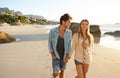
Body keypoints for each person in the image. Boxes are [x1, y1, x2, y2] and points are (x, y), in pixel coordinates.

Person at [48, 13, 72, 78]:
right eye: (69, 22)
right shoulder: (52, 31)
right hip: (56, 55)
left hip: (64, 56)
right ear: (63, 22)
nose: (70, 24)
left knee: (62, 70)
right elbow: (49, 43)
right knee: (56, 73)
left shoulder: (69, 32)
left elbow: (69, 45)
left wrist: (67, 56)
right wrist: (52, 54)